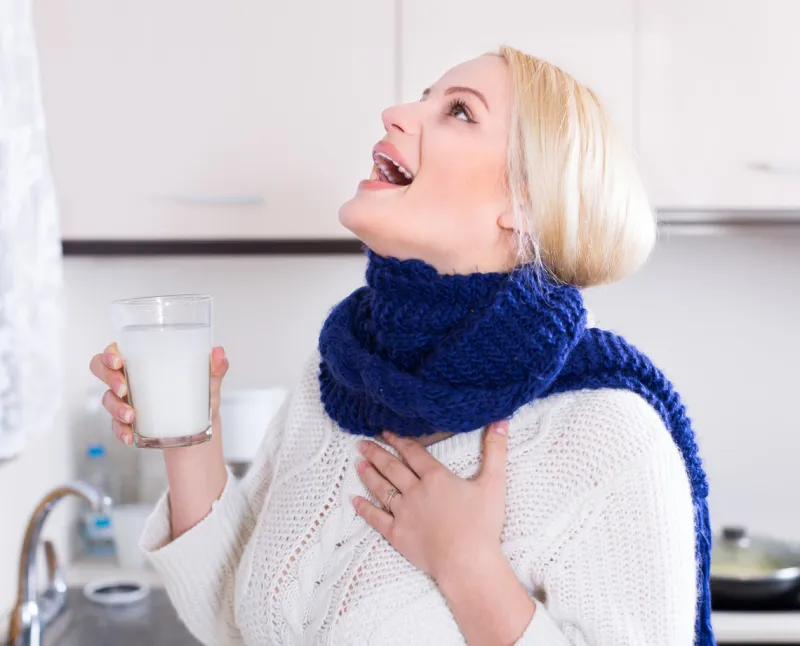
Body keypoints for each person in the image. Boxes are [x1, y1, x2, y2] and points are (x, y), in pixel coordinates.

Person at [90, 47, 711, 645]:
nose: (395, 114)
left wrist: (466, 563)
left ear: (525, 205)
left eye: (459, 111)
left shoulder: (607, 434)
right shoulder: (340, 376)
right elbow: (237, 623)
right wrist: (189, 435)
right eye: (423, 97)